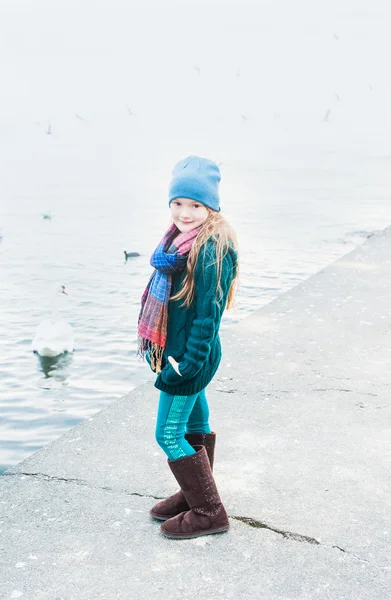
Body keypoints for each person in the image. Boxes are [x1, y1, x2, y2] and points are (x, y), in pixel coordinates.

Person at [137, 155, 239, 539]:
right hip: (186, 353)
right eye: (178, 203)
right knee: (195, 424)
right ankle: (192, 491)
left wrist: (187, 363)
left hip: (188, 357)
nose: (185, 212)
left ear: (211, 206)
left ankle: (208, 511)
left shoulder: (209, 250)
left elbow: (207, 317)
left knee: (167, 432)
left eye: (196, 205)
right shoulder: (176, 243)